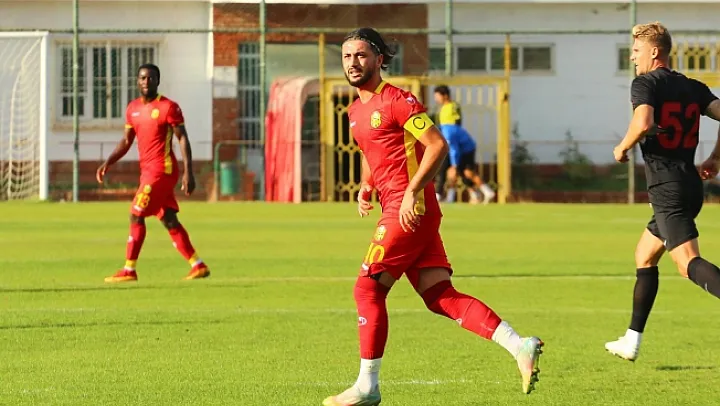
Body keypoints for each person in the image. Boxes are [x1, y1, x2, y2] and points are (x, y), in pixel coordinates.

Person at [322, 28, 543, 406]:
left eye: (360, 55)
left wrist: (410, 191)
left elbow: (437, 145)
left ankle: (367, 386)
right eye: (346, 56)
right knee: (438, 295)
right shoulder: (355, 110)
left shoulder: (397, 100)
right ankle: (519, 345)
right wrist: (365, 186)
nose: (353, 63)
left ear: (378, 59)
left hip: (408, 209)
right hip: (403, 208)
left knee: (367, 289)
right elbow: (369, 151)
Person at [607, 21, 720, 362]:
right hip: (689, 185)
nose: (632, 57)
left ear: (655, 52)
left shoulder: (646, 83)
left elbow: (642, 122)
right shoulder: (693, 87)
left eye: (636, 50)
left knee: (686, 264)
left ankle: (632, 340)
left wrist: (622, 147)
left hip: (667, 188)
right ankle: (631, 340)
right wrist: (715, 158)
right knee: (644, 256)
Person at [98, 64, 210, 283]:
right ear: (137, 81)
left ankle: (129, 269)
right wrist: (108, 162)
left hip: (162, 171)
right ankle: (198, 265)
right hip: (148, 172)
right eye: (142, 78)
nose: (146, 82)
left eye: (150, 78)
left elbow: (182, 138)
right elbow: (126, 141)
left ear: (158, 81)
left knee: (136, 214)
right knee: (168, 219)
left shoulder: (168, 107)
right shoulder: (132, 109)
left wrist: (188, 172)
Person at [433, 85, 495, 204]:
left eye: (437, 96)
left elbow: (454, 147)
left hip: (465, 148)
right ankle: (454, 196)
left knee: (465, 172)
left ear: (445, 95)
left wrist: (455, 164)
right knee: (450, 170)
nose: (436, 99)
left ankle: (486, 192)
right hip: (454, 146)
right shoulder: (444, 112)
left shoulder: (449, 125)